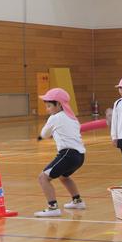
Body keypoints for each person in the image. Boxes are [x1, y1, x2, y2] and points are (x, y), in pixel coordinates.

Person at [34, 88, 86, 217]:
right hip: (79, 156)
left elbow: (44, 134)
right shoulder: (73, 118)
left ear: (59, 104)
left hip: (67, 154)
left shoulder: (54, 118)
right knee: (64, 176)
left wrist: (47, 134)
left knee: (43, 178)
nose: (47, 109)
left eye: (49, 106)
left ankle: (53, 208)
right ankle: (77, 201)